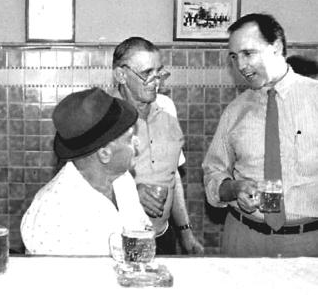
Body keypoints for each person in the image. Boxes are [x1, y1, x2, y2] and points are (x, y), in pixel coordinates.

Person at [203, 13, 318, 257]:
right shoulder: (235, 110)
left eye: (248, 53)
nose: (241, 66)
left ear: (276, 47)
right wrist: (235, 188)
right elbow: (213, 173)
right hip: (244, 238)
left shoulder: (315, 98)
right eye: (234, 57)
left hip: (308, 242)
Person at [21, 87, 151, 255]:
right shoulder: (53, 214)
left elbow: (141, 238)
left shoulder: (122, 180)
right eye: (129, 138)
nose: (137, 142)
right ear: (104, 153)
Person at [111, 37, 203, 255]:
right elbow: (85, 186)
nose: (156, 81)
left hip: (163, 237)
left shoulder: (167, 108)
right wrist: (130, 193)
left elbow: (172, 175)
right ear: (121, 75)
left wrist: (186, 232)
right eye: (146, 73)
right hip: (119, 240)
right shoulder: (105, 115)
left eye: (159, 72)